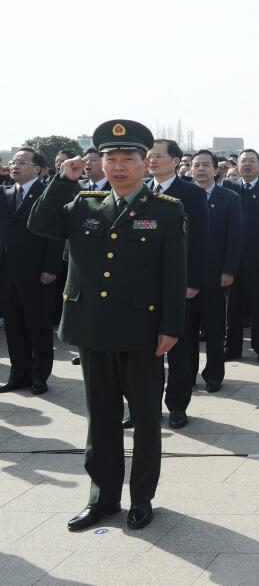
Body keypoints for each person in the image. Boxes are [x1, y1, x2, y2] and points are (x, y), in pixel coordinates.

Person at [28, 119, 186, 532]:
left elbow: (174, 273)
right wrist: (63, 181)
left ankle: (141, 498)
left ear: (144, 163)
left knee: (146, 420)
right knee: (100, 419)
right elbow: (39, 223)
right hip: (93, 329)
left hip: (142, 331)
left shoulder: (166, 210)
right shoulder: (83, 204)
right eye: (110, 158)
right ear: (99, 162)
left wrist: (171, 326)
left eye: (127, 158)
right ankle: (102, 498)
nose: (118, 166)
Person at [143, 139, 209, 429]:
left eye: (158, 156)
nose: (152, 160)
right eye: (149, 156)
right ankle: (145, 404)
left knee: (179, 348)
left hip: (178, 283)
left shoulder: (191, 193)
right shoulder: (140, 189)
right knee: (144, 349)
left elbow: (200, 240)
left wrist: (193, 281)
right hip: (143, 284)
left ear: (176, 161)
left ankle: (178, 405)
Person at [0, 148, 64, 394]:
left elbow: (55, 233)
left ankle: (39, 375)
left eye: (22, 162)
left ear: (37, 169)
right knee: (14, 325)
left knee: (37, 324)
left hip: (37, 271)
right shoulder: (5, 192)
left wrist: (51, 267)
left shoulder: (46, 193)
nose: (15, 166)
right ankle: (19, 374)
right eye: (13, 162)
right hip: (7, 271)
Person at [186, 150, 242, 393]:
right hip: (185, 276)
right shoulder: (182, 196)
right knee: (186, 331)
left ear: (216, 169)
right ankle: (187, 374)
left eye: (205, 165)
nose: (200, 169)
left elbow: (235, 237)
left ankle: (214, 375)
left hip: (215, 275)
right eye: (196, 165)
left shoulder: (229, 198)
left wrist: (229, 270)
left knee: (215, 330)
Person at [223, 149, 259, 363]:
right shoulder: (228, 187)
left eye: (251, 161)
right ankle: (232, 347)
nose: (247, 164)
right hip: (232, 257)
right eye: (243, 161)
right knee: (232, 307)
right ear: (237, 165)